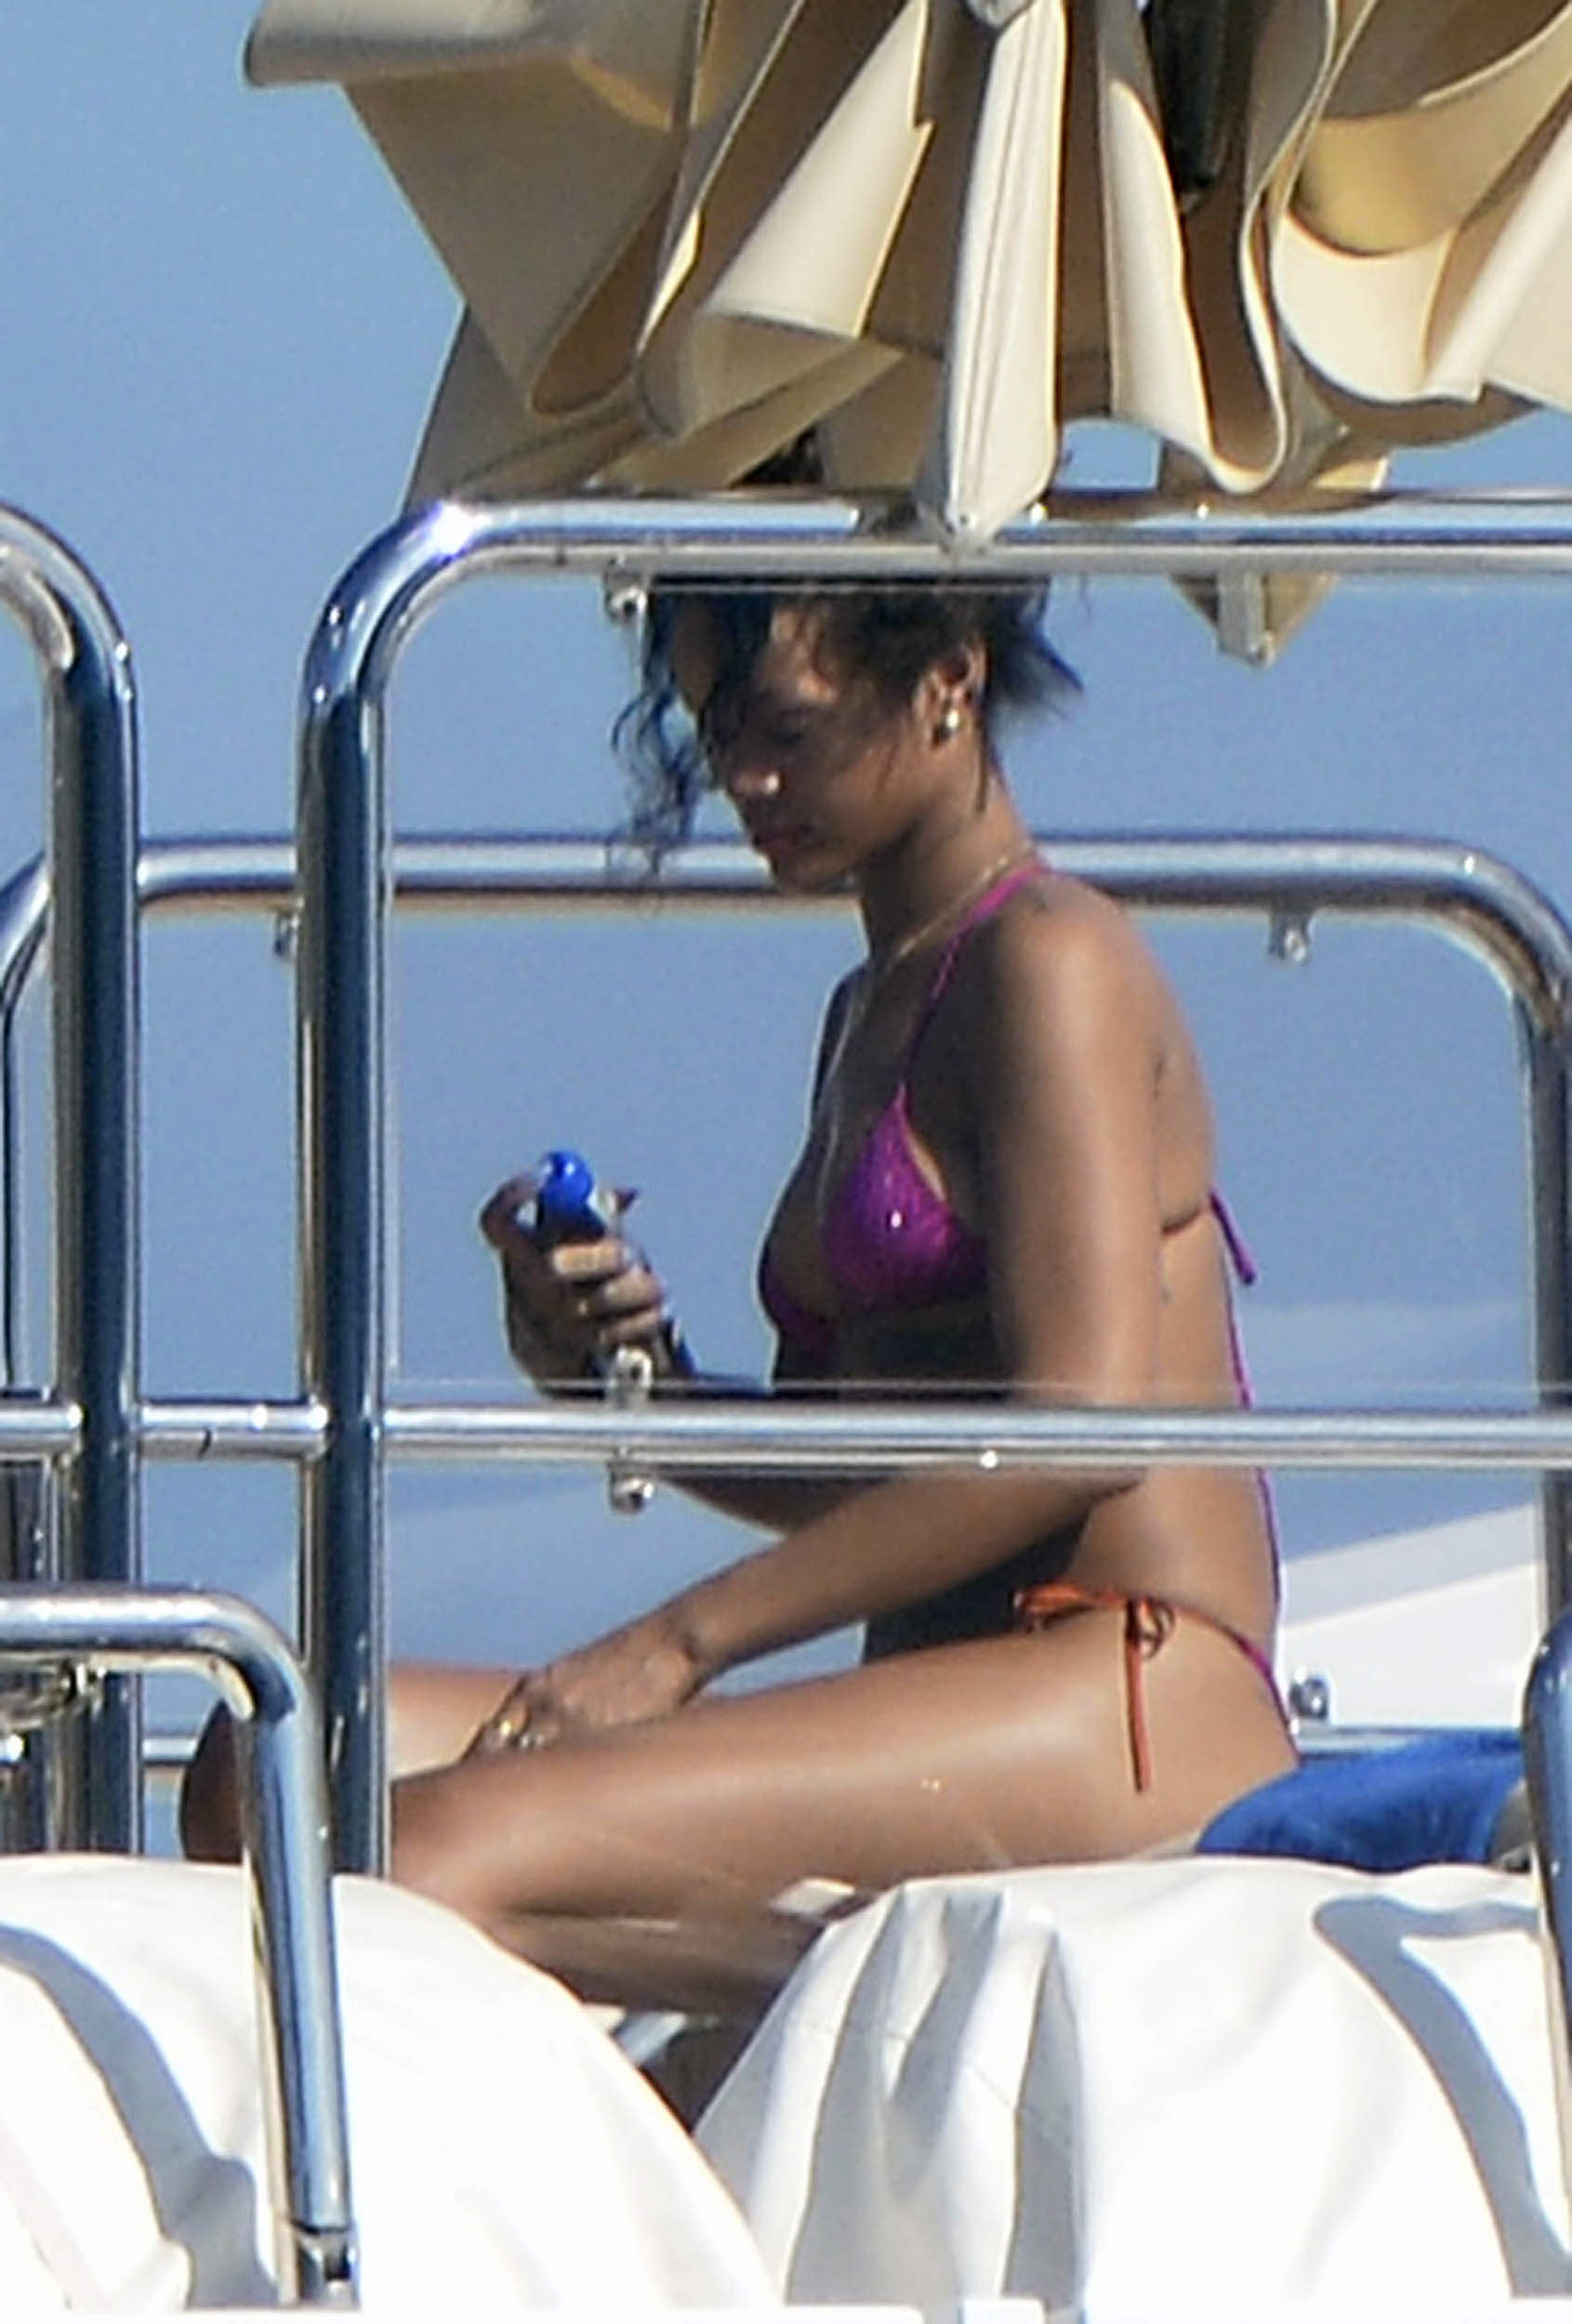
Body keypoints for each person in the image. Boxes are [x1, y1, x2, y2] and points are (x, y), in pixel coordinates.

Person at [185, 584, 1295, 2008]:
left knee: (422, 1855)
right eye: (718, 735)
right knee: (262, 1771)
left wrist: (675, 1646)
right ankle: (792, 2004)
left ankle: (784, 2017)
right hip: (950, 1688)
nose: (747, 781)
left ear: (950, 683)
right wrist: (637, 1391)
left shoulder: (1048, 959)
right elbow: (865, 1475)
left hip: (1128, 1687)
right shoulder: (874, 1004)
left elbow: (1079, 1431)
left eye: (787, 730)